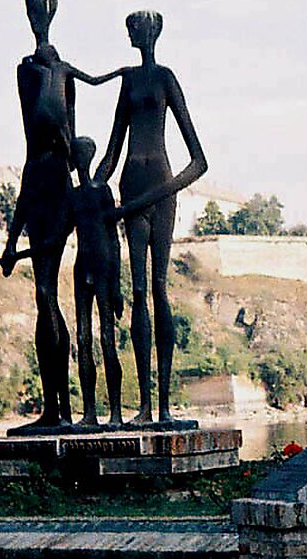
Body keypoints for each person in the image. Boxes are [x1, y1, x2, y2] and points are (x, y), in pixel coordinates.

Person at [0, 0, 121, 430]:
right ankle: (56, 408)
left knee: (47, 296)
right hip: (38, 182)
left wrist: (52, 65)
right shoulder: (30, 74)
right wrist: (12, 242)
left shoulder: (50, 76)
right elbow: (32, 165)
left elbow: (55, 123)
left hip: (50, 186)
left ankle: (63, 410)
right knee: (43, 298)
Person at [94, 10, 208, 423]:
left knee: (159, 288)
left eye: (136, 28)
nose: (131, 34)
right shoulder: (128, 82)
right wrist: (91, 188)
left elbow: (199, 161)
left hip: (158, 189)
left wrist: (162, 192)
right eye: (129, 29)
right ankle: (144, 405)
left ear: (152, 31)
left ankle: (162, 406)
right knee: (139, 290)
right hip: (132, 185)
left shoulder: (164, 78)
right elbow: (112, 149)